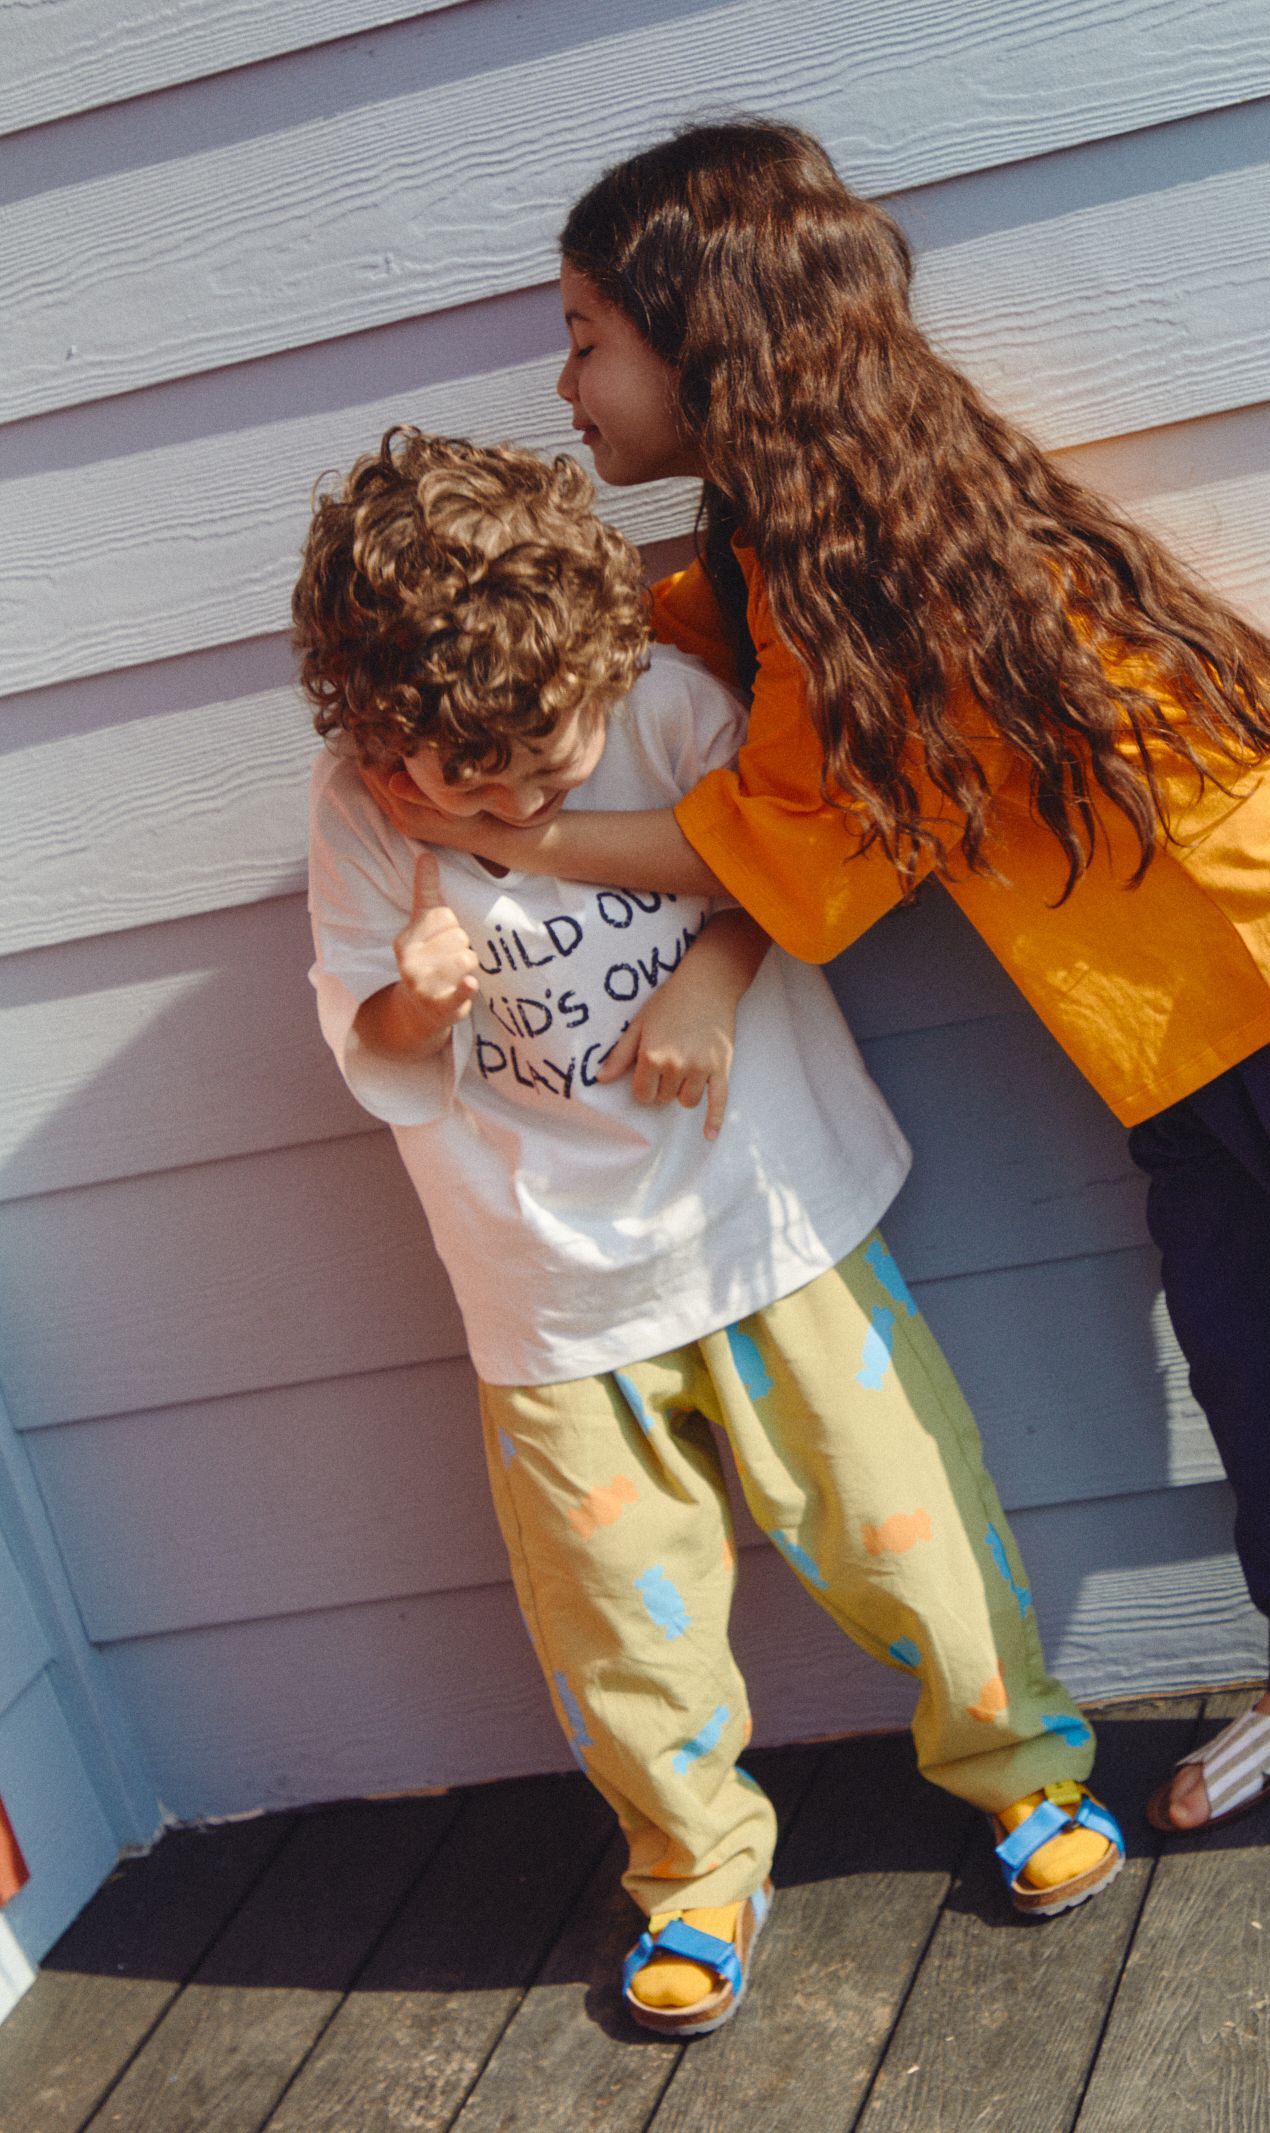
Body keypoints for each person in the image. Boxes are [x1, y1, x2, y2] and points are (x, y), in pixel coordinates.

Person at [361, 122, 1270, 1893]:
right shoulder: (781, 531)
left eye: (583, 338)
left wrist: (505, 826)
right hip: (1153, 999)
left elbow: (791, 853)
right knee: (1259, 1338)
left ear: (705, 336)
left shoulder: (861, 543)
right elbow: (692, 636)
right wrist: (491, 621)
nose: (565, 385)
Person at [293, 427, 1126, 2038]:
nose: (518, 804)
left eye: (549, 763)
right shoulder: (359, 815)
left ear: (597, 665)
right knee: (617, 1612)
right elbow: (373, 1052)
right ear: (379, 734)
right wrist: (417, 997)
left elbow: (790, 863)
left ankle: (1020, 1762)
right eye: (471, 788)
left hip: (767, 1215)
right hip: (547, 1285)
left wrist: (713, 979)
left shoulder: (671, 709)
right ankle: (692, 1869)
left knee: (905, 1515)